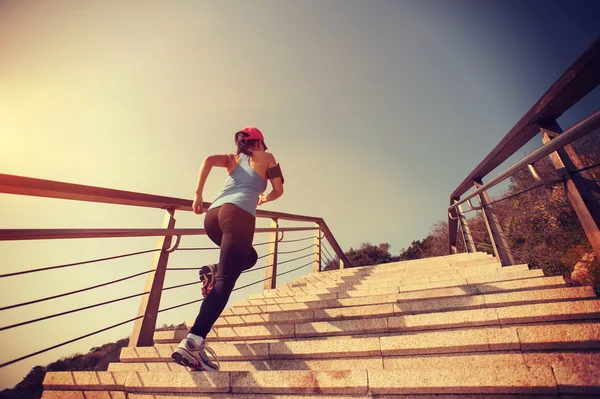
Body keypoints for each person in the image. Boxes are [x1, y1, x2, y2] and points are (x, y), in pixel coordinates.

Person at [171, 126, 284, 371]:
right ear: (260, 142)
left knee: (249, 256)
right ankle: (193, 343)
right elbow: (278, 190)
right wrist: (265, 198)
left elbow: (207, 160)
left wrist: (197, 194)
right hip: (238, 215)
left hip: (213, 217)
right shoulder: (268, 158)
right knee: (225, 281)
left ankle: (214, 270)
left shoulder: (232, 158)